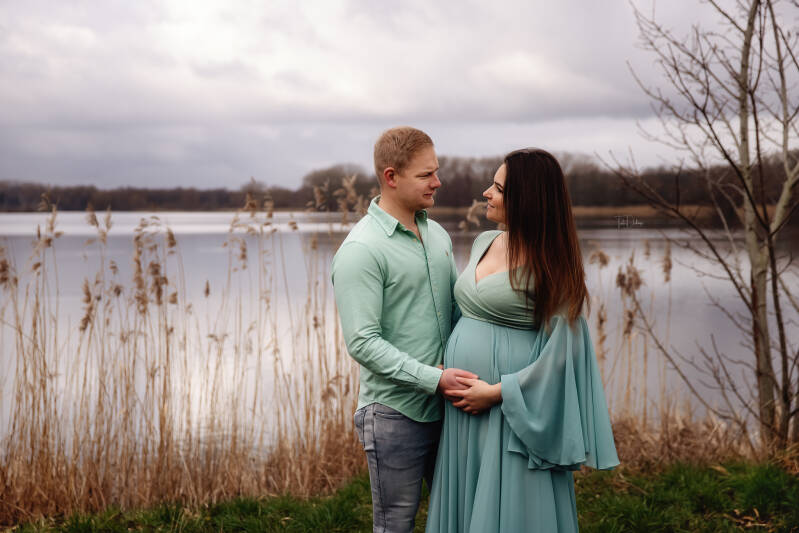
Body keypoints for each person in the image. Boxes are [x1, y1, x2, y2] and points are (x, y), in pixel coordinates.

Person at [425, 148, 619, 533]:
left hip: (510, 412)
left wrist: (497, 393)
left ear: (526, 200)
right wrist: (442, 360)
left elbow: (564, 354)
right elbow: (463, 310)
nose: (486, 193)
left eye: (497, 188)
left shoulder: (554, 265)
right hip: (462, 405)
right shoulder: (485, 242)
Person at [331, 126, 477, 533]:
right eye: (426, 175)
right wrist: (435, 379)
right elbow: (363, 342)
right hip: (395, 413)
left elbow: (456, 312)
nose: (438, 182)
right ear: (391, 176)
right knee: (395, 525)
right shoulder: (362, 250)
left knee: (457, 517)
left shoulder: (438, 235)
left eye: (436, 171)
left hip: (448, 406)